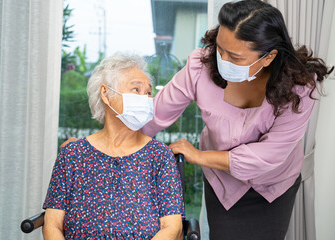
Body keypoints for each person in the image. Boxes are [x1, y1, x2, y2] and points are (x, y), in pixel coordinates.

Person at [142, 1, 334, 239]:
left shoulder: (299, 86)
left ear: (268, 56)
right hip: (223, 183)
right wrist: (110, 145)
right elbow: (156, 115)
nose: (222, 60)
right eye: (220, 49)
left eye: (234, 56)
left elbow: (270, 154)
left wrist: (200, 157)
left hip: (274, 186)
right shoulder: (200, 65)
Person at [42, 53, 184, 240]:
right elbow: (52, 226)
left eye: (148, 93)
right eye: (136, 89)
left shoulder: (160, 156)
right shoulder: (72, 155)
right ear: (105, 93)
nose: (145, 98)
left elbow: (172, 228)